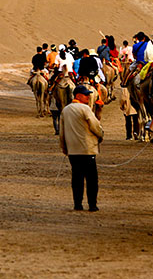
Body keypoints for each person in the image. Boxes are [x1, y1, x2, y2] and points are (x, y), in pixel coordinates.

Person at [59, 84, 104, 212]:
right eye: (86, 95)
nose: (88, 97)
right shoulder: (85, 109)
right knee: (91, 179)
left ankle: (77, 204)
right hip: (87, 149)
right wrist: (100, 135)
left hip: (73, 150)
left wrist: (64, 147)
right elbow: (94, 126)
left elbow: (62, 132)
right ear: (78, 96)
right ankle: (92, 205)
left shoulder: (65, 110)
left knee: (76, 178)